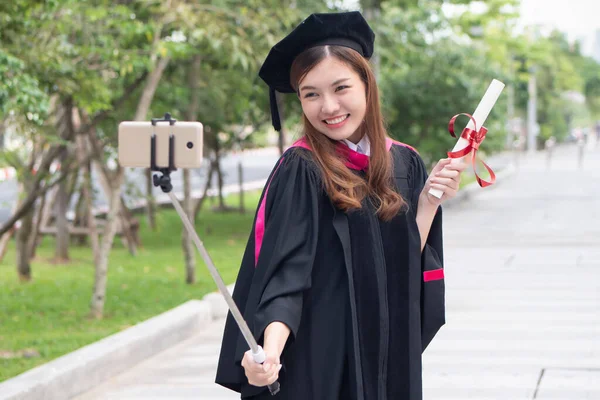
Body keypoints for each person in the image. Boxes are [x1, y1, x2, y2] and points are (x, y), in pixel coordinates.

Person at [216, 11, 466, 400]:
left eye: (340, 88)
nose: (328, 107)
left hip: (386, 352)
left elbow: (403, 265)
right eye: (311, 94)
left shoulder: (405, 162)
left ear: (367, 85)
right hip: (322, 356)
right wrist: (269, 354)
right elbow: (286, 275)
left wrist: (430, 202)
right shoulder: (301, 168)